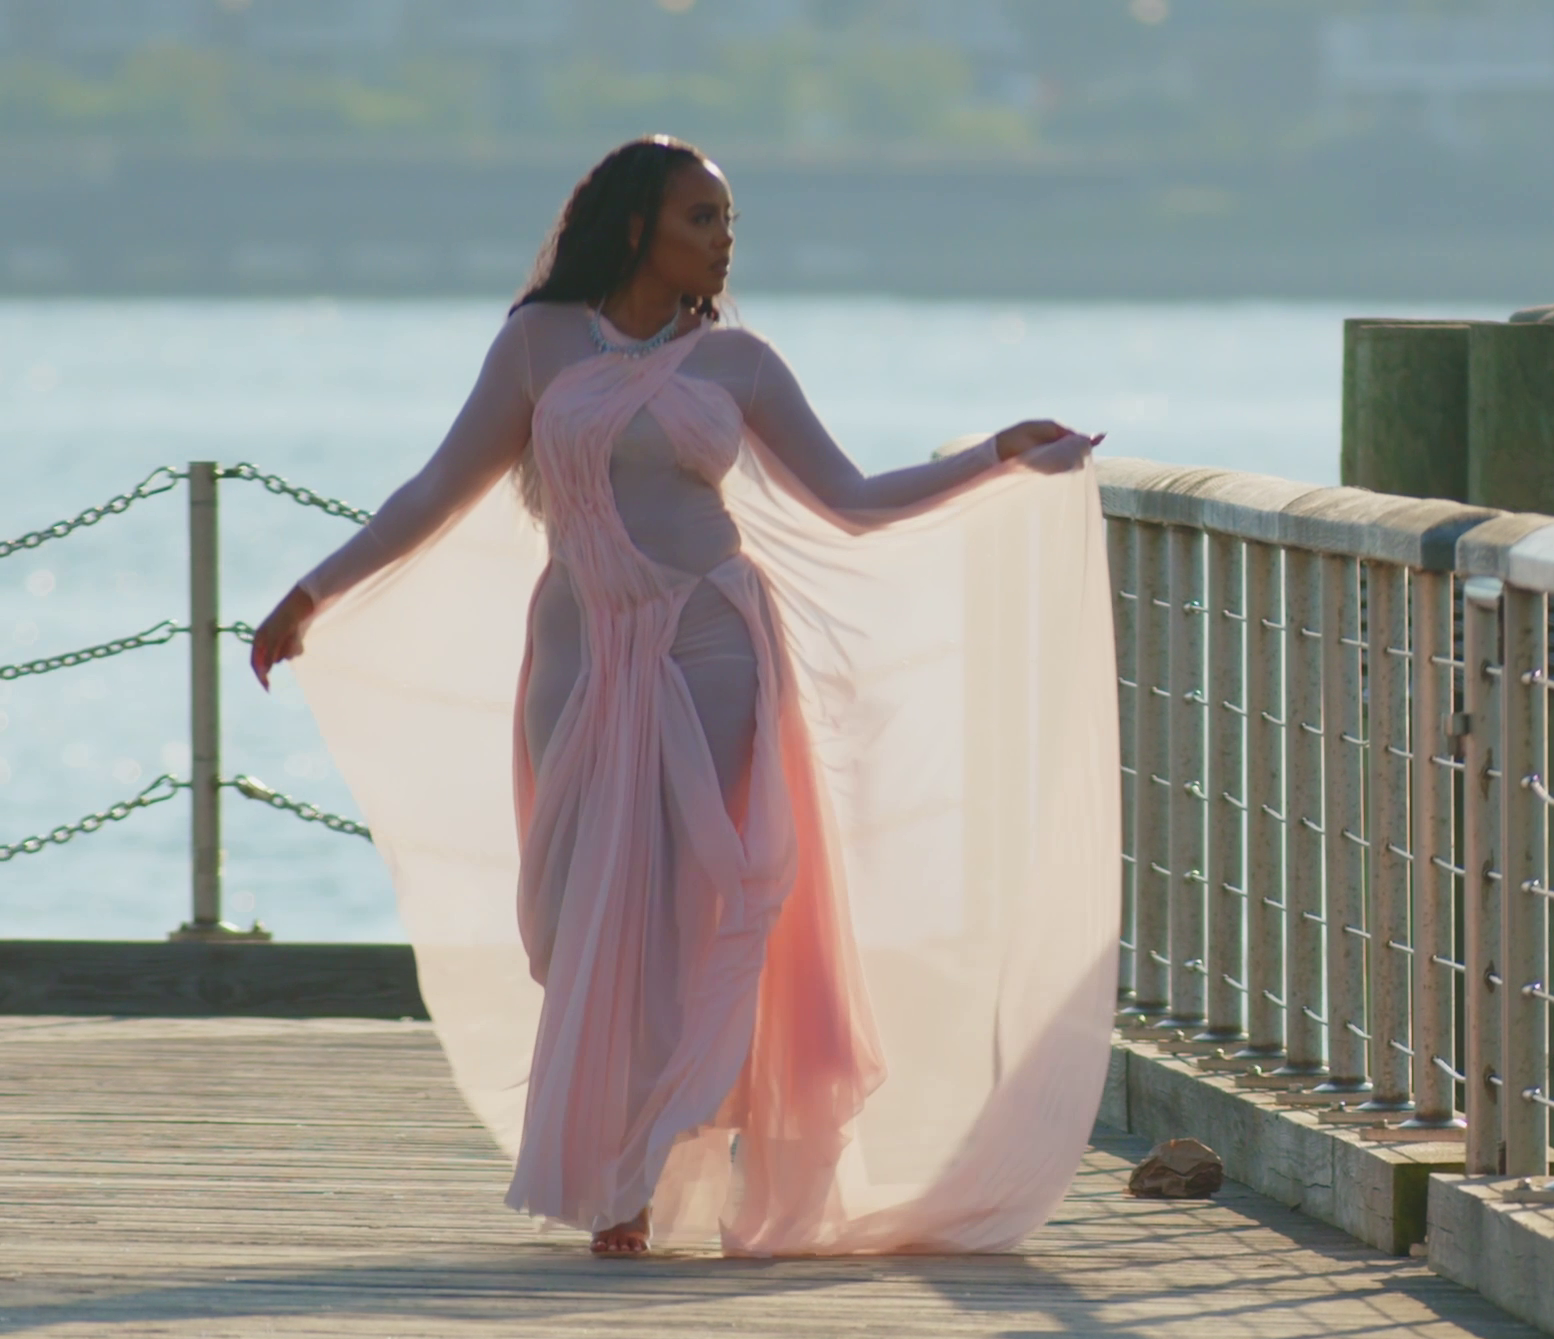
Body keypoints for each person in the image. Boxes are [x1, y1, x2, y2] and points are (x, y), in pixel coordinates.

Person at [248, 135, 1122, 1258]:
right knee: (578, 909)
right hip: (580, 649)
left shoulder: (740, 364)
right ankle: (632, 1145)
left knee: (691, 906)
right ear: (634, 229)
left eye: (728, 222)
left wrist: (997, 452)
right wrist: (312, 592)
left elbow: (853, 498)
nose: (722, 242)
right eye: (700, 219)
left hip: (713, 647)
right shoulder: (538, 344)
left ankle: (636, 1176)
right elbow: (437, 487)